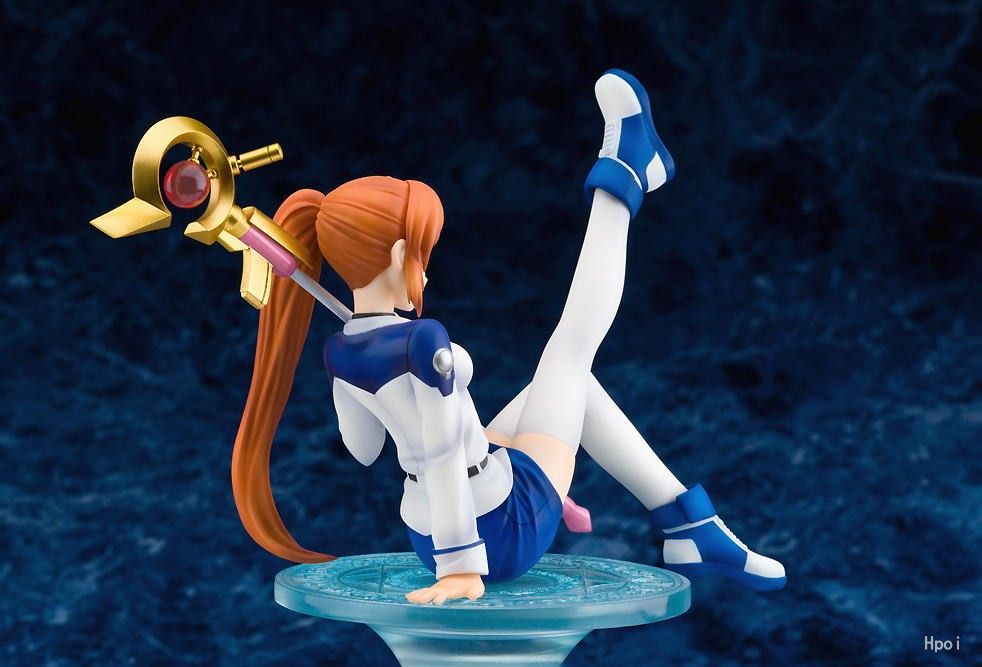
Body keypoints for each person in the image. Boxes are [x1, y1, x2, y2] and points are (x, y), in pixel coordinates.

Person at [232, 69, 786, 605]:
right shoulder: (421, 341)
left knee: (569, 385)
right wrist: (460, 568)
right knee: (570, 351)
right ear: (401, 255)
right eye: (425, 251)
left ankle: (689, 528)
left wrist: (375, 375)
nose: (427, 268)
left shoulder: (340, 351)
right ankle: (625, 175)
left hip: (427, 531)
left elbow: (364, 449)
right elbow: (443, 454)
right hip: (496, 532)